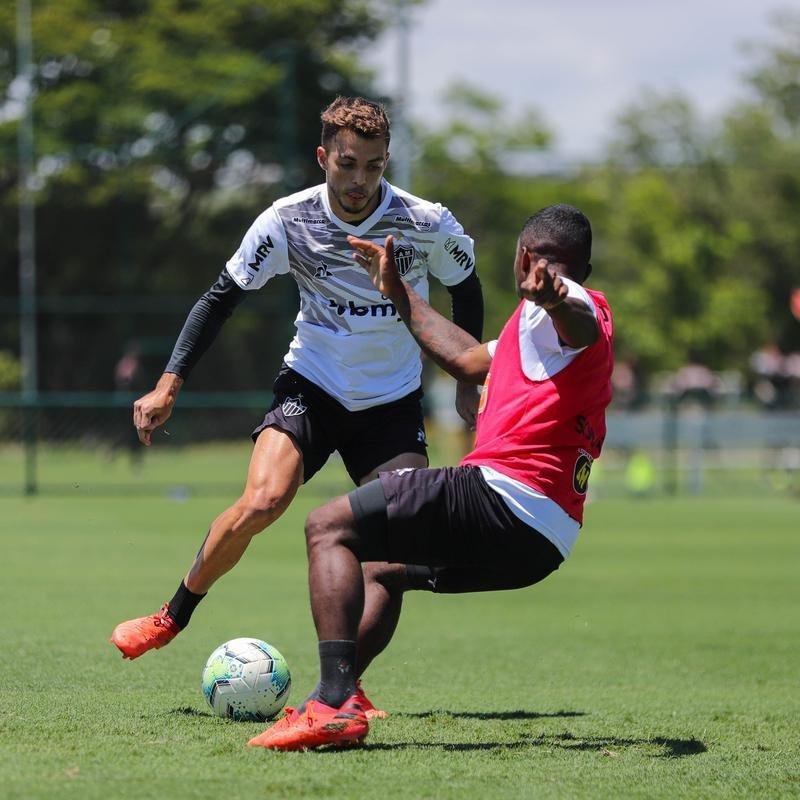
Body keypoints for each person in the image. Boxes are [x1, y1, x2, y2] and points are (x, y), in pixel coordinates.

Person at [109, 96, 484, 698]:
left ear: (387, 161)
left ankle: (339, 691)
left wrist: (466, 380)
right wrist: (167, 384)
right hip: (312, 385)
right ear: (322, 157)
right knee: (263, 500)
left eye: (373, 166)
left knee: (390, 556)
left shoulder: (424, 222)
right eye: (347, 164)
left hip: (391, 404)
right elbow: (219, 298)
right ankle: (172, 614)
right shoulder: (287, 220)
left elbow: (467, 288)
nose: (360, 180)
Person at [247, 204, 614, 751]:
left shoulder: (575, 308)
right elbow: (466, 359)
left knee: (327, 527)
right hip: (542, 543)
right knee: (384, 568)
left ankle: (330, 705)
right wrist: (397, 290)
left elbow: (578, 323)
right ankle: (339, 696)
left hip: (502, 496)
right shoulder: (534, 331)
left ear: (523, 257)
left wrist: (556, 299)